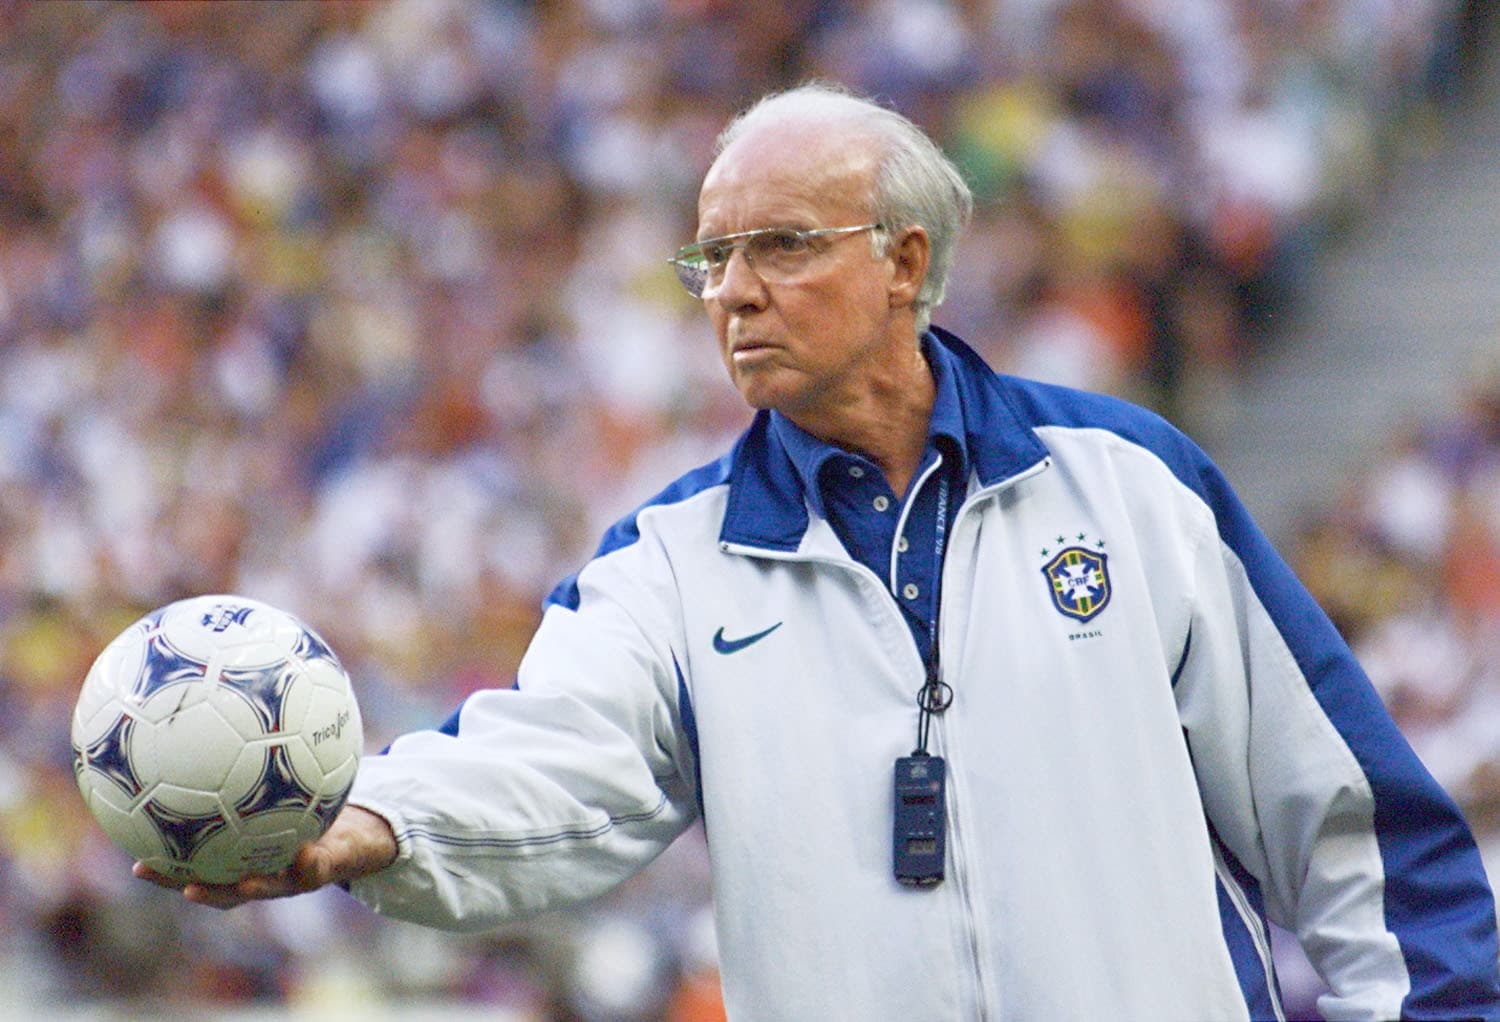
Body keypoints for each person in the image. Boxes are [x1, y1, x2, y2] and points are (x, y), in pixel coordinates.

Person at [138, 82, 1500, 1021]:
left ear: (907, 261)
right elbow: (557, 756)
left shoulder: (1133, 486)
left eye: (779, 246)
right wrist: (378, 822)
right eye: (711, 257)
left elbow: (1354, 824)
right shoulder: (665, 565)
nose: (731, 289)